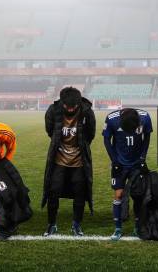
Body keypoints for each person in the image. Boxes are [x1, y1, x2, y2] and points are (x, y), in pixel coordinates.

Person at [42, 87, 96, 237]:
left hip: (79, 161)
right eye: (67, 106)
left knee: (80, 193)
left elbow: (90, 134)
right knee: (53, 192)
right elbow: (50, 131)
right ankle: (51, 224)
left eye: (74, 107)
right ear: (62, 103)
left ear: (79, 103)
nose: (71, 109)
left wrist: (80, 147)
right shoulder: (53, 110)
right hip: (58, 160)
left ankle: (76, 225)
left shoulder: (87, 112)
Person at [103, 108, 152, 240]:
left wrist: (143, 158)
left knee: (138, 195)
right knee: (118, 195)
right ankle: (118, 228)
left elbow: (147, 137)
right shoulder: (112, 119)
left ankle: (137, 227)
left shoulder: (145, 117)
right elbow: (107, 140)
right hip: (119, 164)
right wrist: (114, 160)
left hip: (136, 164)